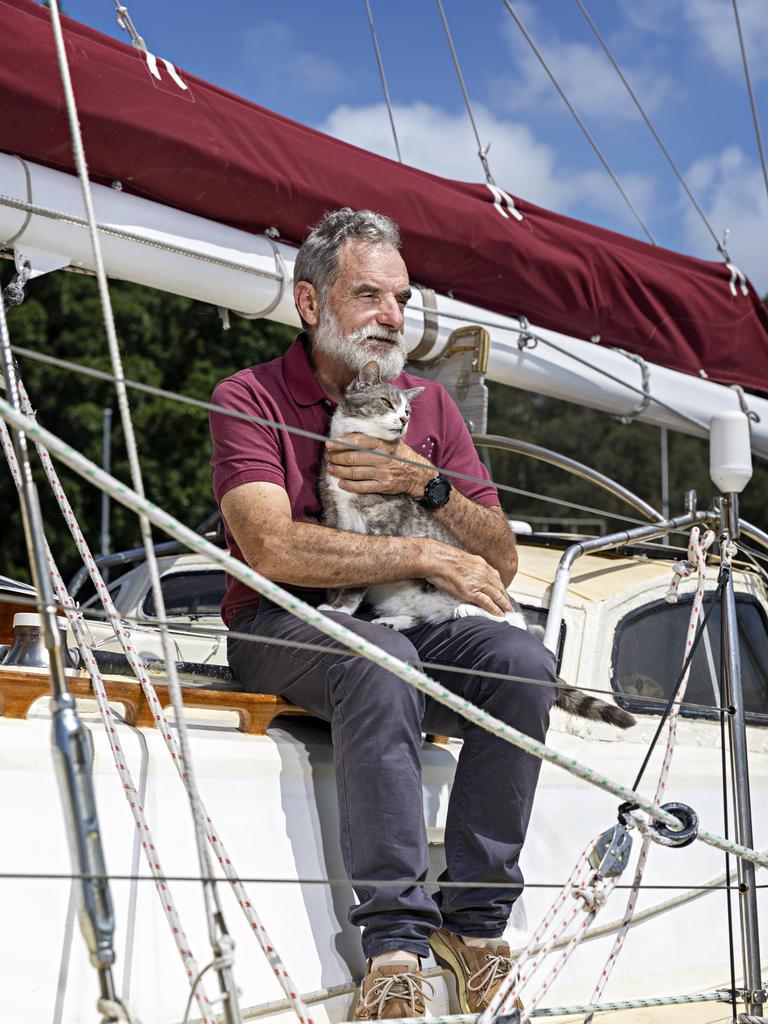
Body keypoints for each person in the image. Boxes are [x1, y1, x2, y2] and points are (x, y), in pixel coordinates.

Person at [209, 208, 557, 1020]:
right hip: (281, 625)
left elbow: (500, 559)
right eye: (369, 295)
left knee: (522, 667)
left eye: (400, 298)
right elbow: (271, 549)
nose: (393, 317)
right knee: (378, 662)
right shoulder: (249, 395)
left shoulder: (427, 406)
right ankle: (395, 947)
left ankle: (473, 929)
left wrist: (421, 483)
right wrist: (425, 553)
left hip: (402, 623)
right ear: (309, 304)